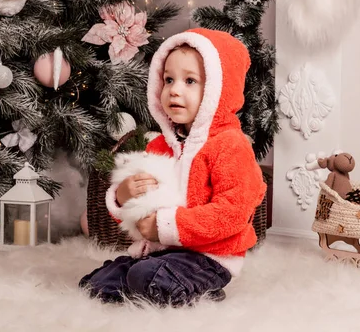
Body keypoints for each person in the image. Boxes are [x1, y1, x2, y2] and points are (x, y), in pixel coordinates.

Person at [79, 28, 266, 307]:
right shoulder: (159, 145)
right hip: (159, 252)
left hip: (208, 257)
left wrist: (167, 226)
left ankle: (203, 289)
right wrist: (124, 196)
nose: (175, 90)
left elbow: (232, 213)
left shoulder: (230, 145)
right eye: (168, 79)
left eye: (190, 81)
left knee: (146, 278)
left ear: (218, 89)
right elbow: (138, 216)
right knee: (95, 285)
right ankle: (150, 277)